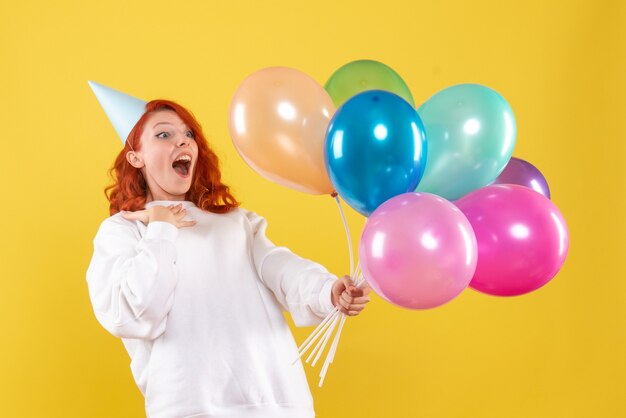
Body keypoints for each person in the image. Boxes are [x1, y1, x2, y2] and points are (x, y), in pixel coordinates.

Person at [86, 98, 371, 418]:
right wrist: (161, 228)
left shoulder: (235, 221)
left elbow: (279, 266)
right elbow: (136, 313)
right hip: (191, 407)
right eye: (163, 135)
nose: (182, 140)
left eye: (188, 134)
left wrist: (326, 291)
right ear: (135, 156)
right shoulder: (123, 230)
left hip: (275, 402)